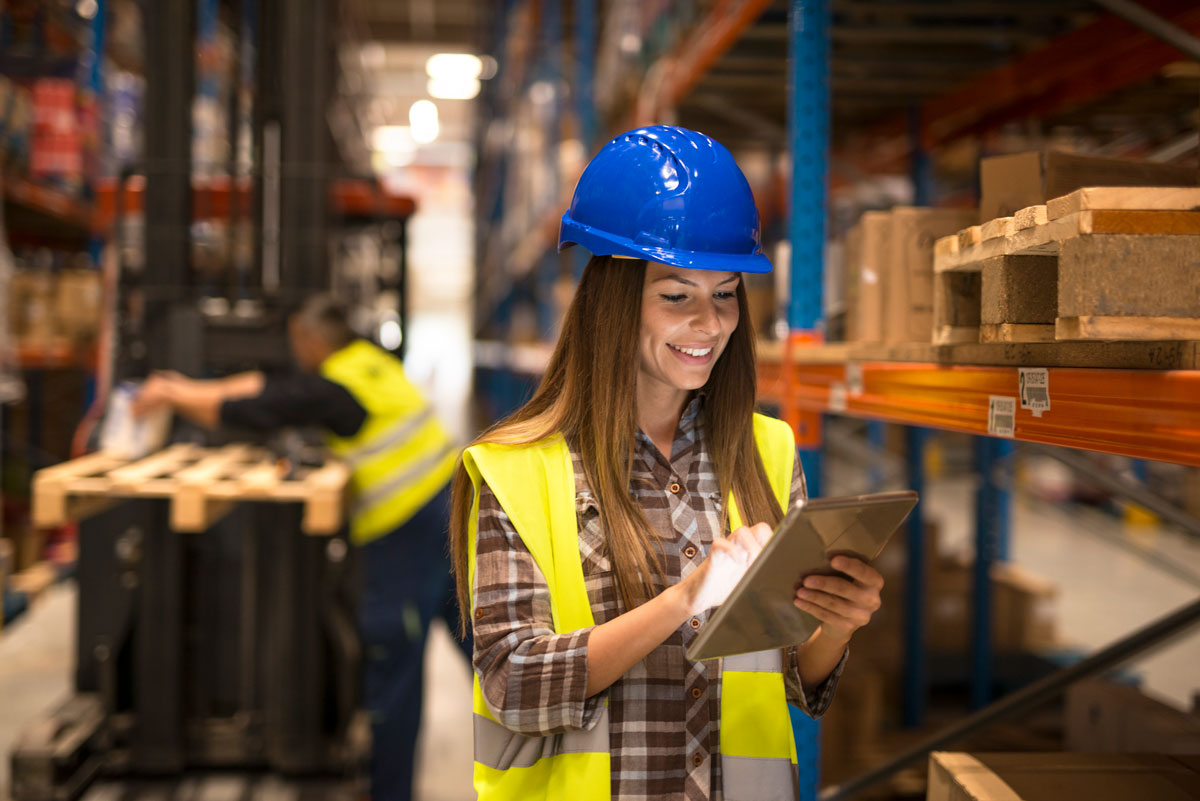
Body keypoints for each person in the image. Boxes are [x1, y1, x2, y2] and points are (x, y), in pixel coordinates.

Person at [448, 125, 886, 801]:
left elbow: (795, 676)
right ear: (616, 305)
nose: (709, 324)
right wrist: (684, 598)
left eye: (726, 293)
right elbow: (513, 684)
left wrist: (840, 619)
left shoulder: (766, 451)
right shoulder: (517, 470)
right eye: (676, 296)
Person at [133, 295, 470, 801]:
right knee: (482, 644)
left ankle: (389, 793)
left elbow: (256, 406)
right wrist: (180, 385)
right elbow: (274, 387)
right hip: (449, 517)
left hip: (404, 535)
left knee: (392, 667)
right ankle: (552, 743)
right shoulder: (369, 363)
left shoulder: (333, 389)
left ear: (310, 342)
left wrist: (176, 398)